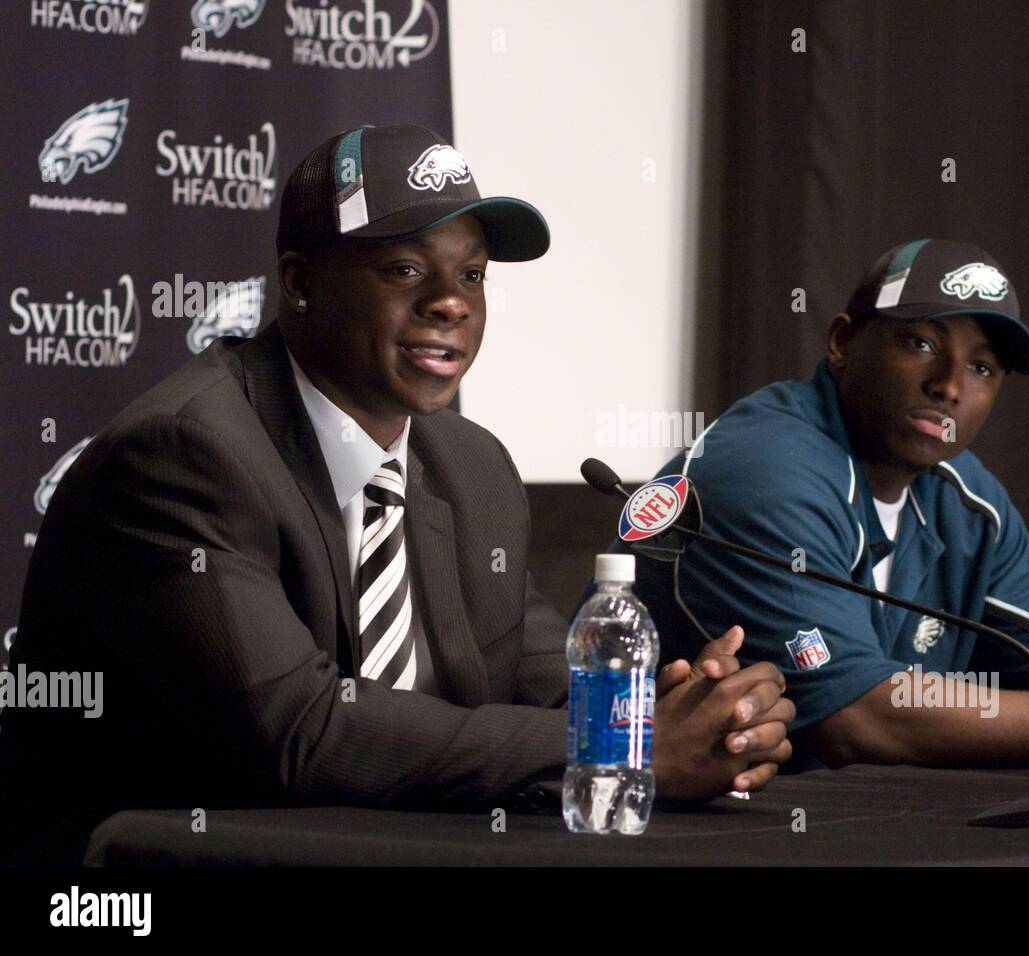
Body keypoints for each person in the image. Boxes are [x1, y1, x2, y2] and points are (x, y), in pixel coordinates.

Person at [0, 124, 793, 865]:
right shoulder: (186, 455)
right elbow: (300, 734)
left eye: (472, 275)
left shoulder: (470, 465)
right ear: (300, 283)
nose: (451, 302)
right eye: (406, 270)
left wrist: (683, 716)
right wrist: (624, 749)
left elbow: (544, 683)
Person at [591, 239, 1029, 771]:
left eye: (982, 368)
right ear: (843, 343)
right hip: (664, 820)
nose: (949, 386)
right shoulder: (767, 472)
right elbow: (856, 719)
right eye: (920, 344)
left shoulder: (966, 499)